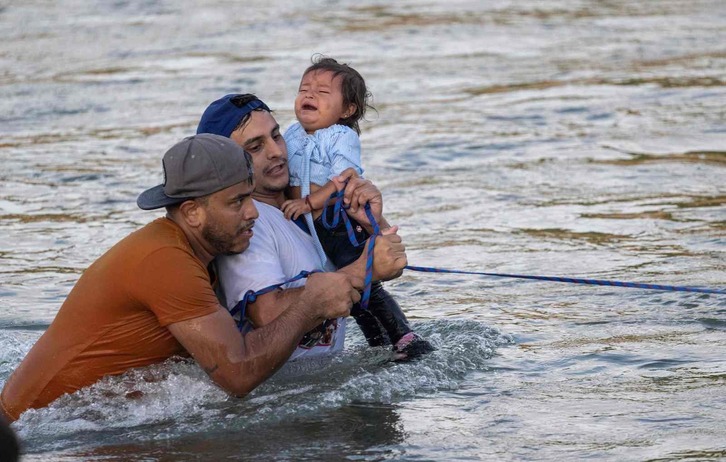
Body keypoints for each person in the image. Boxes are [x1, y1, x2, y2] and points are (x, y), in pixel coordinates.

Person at [0, 134, 408, 422]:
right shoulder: (165, 260)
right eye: (237, 202)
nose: (253, 213)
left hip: (92, 412)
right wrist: (312, 304)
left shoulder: (206, 250)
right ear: (192, 212)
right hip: (39, 429)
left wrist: (367, 228)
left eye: (251, 196)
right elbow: (238, 374)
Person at [196, 91, 432, 359]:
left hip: (329, 383)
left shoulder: (311, 204)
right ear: (223, 165)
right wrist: (361, 270)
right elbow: (266, 313)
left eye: (276, 135)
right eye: (254, 147)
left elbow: (389, 268)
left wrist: (373, 222)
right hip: (280, 396)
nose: (277, 152)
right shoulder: (247, 224)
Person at [284, 56, 433, 356]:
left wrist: (310, 201)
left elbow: (344, 177)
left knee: (366, 286)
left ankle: (404, 336)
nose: (309, 95)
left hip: (336, 222)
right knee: (348, 295)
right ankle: (378, 343)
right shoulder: (290, 134)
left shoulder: (341, 136)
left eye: (323, 93)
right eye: (304, 89)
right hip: (308, 226)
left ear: (347, 110)